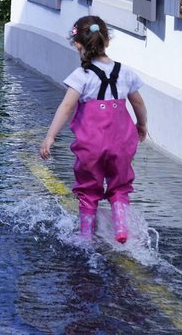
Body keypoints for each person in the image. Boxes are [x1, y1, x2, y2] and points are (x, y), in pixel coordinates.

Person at [39, 15, 148, 243]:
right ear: (107, 41)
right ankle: (121, 228)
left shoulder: (82, 76)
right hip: (121, 142)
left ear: (78, 44)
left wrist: (50, 136)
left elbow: (67, 107)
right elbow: (137, 102)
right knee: (120, 184)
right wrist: (142, 124)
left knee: (89, 187)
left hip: (91, 144)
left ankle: (86, 235)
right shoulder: (124, 72)